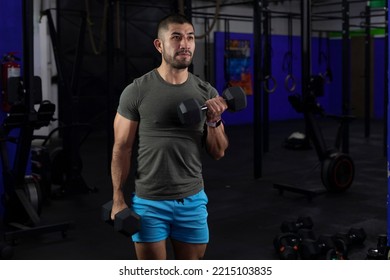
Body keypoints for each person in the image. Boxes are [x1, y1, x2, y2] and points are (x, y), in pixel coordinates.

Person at [110, 13, 229, 260]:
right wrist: (118, 198)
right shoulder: (137, 91)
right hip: (150, 202)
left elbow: (218, 152)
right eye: (176, 37)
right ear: (159, 44)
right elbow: (122, 147)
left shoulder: (206, 93)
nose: (185, 44)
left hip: (192, 200)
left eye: (190, 37)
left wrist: (214, 121)